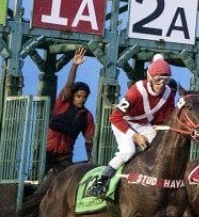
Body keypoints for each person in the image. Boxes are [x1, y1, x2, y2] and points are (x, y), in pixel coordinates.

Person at [86, 54, 179, 198]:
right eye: (158, 79)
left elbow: (164, 120)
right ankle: (100, 182)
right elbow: (115, 117)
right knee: (128, 151)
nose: (161, 83)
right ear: (150, 77)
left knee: (157, 146)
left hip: (143, 124)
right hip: (124, 122)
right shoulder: (136, 91)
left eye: (166, 80)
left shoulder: (169, 94)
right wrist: (135, 136)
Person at [45, 46, 95, 174]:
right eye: (78, 96)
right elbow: (68, 85)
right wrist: (75, 65)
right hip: (46, 153)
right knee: (37, 181)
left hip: (64, 157)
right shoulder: (63, 104)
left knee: (65, 180)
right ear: (73, 96)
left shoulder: (87, 116)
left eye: (84, 97)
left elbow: (89, 139)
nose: (81, 99)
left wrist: (91, 160)